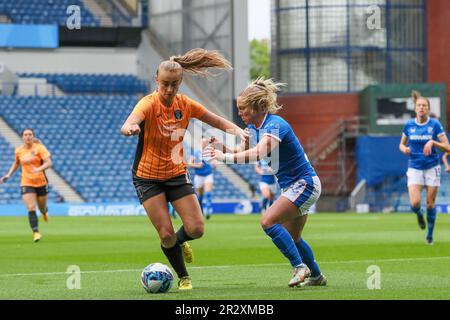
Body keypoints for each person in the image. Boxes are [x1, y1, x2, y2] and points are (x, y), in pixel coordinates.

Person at [120, 48, 247, 291]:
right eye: (165, 84)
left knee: (197, 229)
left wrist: (238, 130)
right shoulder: (147, 103)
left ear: (181, 82)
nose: (169, 90)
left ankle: (180, 243)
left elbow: (216, 121)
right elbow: (129, 122)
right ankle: (183, 276)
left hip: (176, 174)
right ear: (156, 80)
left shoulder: (185, 104)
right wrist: (130, 129)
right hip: (147, 178)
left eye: (174, 85)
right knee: (166, 234)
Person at [204, 78, 326, 288]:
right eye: (238, 108)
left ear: (259, 106)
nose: (240, 113)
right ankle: (317, 276)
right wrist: (223, 149)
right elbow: (243, 154)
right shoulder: (254, 128)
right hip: (295, 186)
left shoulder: (276, 125)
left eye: (243, 109)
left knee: (267, 221)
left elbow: (257, 153)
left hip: (304, 183)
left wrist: (222, 158)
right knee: (293, 237)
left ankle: (299, 267)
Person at [399, 90, 450, 245]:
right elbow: (401, 144)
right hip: (414, 167)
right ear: (415, 108)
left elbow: (447, 146)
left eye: (424, 105)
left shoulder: (434, 125)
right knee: (415, 204)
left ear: (428, 109)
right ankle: (419, 214)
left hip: (432, 167)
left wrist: (433, 142)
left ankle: (429, 235)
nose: (421, 108)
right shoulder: (409, 125)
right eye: (419, 105)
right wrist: (405, 149)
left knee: (430, 204)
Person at [0, 128, 52, 242]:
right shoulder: (19, 151)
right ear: (22, 137)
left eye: (30, 134)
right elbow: (17, 162)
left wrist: (38, 169)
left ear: (33, 136)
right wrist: (8, 174)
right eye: (25, 134)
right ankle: (36, 232)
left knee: (41, 207)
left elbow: (49, 163)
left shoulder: (40, 148)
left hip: (41, 182)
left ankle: (44, 212)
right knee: (31, 207)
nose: (28, 136)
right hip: (26, 182)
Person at [187, 138, 217, 220]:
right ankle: (201, 211)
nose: (204, 143)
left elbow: (214, 162)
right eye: (203, 142)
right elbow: (189, 163)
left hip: (208, 174)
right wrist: (197, 165)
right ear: (200, 143)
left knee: (208, 193)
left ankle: (208, 209)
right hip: (199, 175)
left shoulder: (209, 152)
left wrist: (214, 164)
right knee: (200, 196)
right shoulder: (196, 152)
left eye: (206, 142)